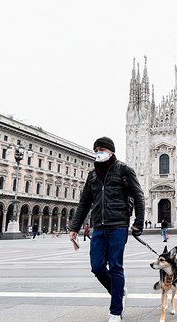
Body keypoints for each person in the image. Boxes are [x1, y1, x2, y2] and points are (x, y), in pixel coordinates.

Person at [69, 136, 145, 322]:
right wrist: (74, 228)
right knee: (97, 267)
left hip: (118, 225)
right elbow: (84, 203)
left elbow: (139, 196)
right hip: (98, 227)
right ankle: (118, 291)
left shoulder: (124, 170)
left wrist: (139, 222)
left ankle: (115, 312)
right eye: (96, 150)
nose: (98, 153)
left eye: (102, 149)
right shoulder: (92, 175)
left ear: (111, 151)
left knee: (116, 266)